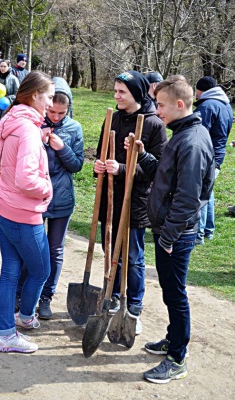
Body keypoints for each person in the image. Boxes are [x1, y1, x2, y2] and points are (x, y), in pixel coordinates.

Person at [125, 75, 215, 383]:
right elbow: (164, 178)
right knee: (170, 292)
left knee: (175, 295)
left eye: (160, 105)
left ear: (179, 104)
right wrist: (142, 155)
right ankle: (172, 338)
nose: (156, 110)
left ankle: (177, 357)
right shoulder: (182, 133)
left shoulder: (192, 141)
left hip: (175, 235)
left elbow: (188, 198)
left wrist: (168, 237)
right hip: (168, 231)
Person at [94, 70, 167, 335]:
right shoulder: (111, 118)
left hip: (135, 201)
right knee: (110, 251)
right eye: (115, 91)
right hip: (109, 198)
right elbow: (102, 150)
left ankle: (133, 306)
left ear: (136, 93)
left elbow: (158, 169)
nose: (116, 96)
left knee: (133, 257)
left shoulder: (153, 125)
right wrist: (100, 166)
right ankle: (112, 296)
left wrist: (122, 169)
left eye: (121, 92)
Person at [0, 71, 54, 353]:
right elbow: (26, 179)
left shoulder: (12, 120)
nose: (51, 103)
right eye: (49, 97)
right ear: (35, 95)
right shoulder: (26, 130)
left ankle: (7, 333)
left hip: (3, 206)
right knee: (41, 270)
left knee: (10, 271)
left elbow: (3, 163)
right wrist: (47, 189)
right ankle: (23, 319)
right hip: (21, 213)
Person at [15, 77, 84, 319]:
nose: (55, 116)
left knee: (55, 250)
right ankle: (21, 294)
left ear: (69, 109)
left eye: (61, 113)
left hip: (61, 200)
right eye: (51, 111)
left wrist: (62, 148)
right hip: (34, 199)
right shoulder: (32, 124)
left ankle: (46, 298)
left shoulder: (74, 128)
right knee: (30, 249)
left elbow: (77, 165)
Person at [194, 76, 233, 244]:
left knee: (200, 193)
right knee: (208, 192)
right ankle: (209, 229)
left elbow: (198, 132)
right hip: (218, 154)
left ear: (201, 90)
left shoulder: (207, 106)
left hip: (206, 156)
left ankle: (199, 234)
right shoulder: (225, 105)